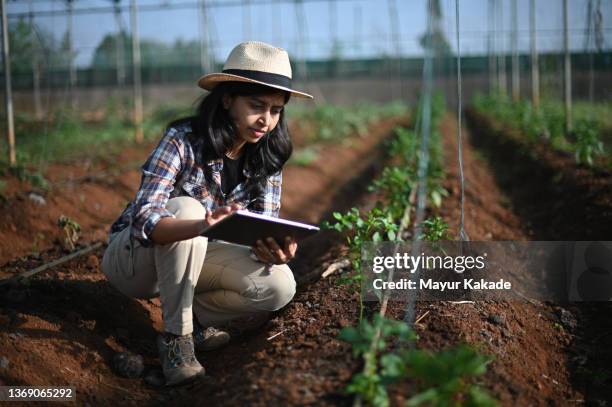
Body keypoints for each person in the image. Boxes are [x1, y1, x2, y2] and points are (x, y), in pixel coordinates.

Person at [101, 41, 314, 386]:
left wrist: (276, 249)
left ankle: (195, 321)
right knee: (187, 206)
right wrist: (199, 224)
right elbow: (145, 219)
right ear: (227, 99)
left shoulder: (267, 157)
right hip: (134, 263)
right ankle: (176, 341)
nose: (266, 120)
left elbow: (262, 228)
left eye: (276, 110)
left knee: (280, 285)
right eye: (256, 106)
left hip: (195, 262)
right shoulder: (183, 139)